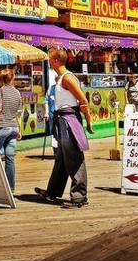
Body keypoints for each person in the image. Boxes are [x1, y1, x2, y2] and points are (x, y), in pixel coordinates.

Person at [35, 48, 94, 208]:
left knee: (74, 158)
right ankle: (52, 192)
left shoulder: (67, 78)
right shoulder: (61, 78)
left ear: (55, 61)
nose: (48, 61)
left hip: (68, 120)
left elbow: (83, 100)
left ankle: (79, 197)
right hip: (62, 119)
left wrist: (88, 123)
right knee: (61, 158)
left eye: (50, 59)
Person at [0, 68, 23, 191]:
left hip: (2, 127)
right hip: (14, 128)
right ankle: (10, 187)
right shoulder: (17, 93)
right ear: (12, 78)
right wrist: (19, 130)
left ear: (1, 79)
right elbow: (19, 113)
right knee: (10, 158)